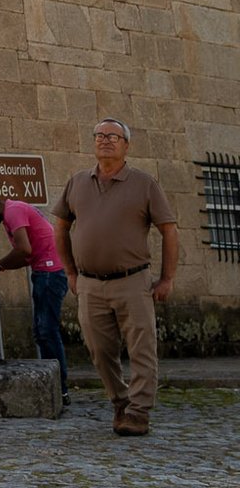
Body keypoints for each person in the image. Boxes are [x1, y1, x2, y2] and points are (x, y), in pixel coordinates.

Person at [51, 120, 178, 437]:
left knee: (142, 349)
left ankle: (138, 412)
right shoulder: (77, 182)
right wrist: (69, 270)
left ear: (126, 145)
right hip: (90, 284)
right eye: (99, 135)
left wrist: (166, 279)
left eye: (113, 136)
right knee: (99, 349)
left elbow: (169, 231)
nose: (105, 141)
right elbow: (61, 227)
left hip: (133, 281)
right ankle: (120, 402)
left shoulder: (144, 184)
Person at [0, 189, 71, 404]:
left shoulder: (13, 211)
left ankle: (60, 388)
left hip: (50, 273)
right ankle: (56, 386)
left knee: (47, 331)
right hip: (46, 271)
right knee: (43, 332)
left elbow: (24, 250)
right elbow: (27, 254)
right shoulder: (13, 211)